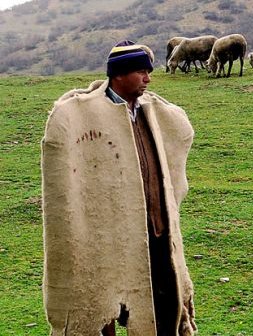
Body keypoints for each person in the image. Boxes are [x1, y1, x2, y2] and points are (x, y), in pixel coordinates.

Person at [41, 40, 197, 335]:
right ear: (119, 74)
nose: (148, 79)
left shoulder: (152, 112)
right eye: (141, 72)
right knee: (103, 306)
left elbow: (180, 135)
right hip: (108, 236)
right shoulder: (86, 115)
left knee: (164, 302)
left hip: (155, 231)